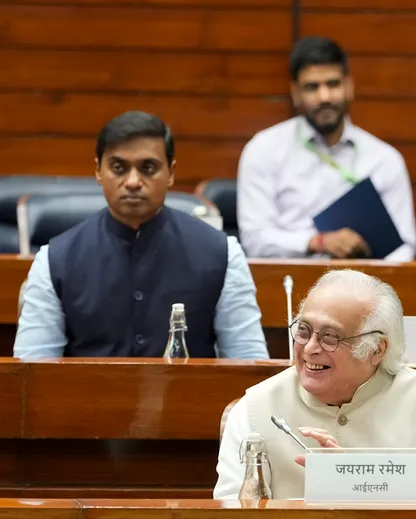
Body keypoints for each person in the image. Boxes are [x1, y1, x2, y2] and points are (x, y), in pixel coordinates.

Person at [14, 111, 268, 360]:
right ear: (98, 171)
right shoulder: (54, 260)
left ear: (171, 173)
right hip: (85, 401)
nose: (133, 181)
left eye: (148, 168)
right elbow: (32, 372)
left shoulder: (222, 254)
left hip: (191, 401)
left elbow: (246, 363)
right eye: (118, 167)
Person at [214, 269, 416, 501]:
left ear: (376, 349)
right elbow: (230, 515)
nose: (310, 348)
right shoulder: (255, 407)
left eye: (330, 337)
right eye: (303, 330)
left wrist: (355, 478)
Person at [237, 36, 416, 261]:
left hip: (362, 286)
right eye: (312, 87)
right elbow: (255, 240)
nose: (324, 97)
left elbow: (405, 248)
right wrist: (317, 242)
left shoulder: (385, 160)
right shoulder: (263, 150)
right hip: (287, 284)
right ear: (295, 92)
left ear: (349, 86)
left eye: (333, 84)